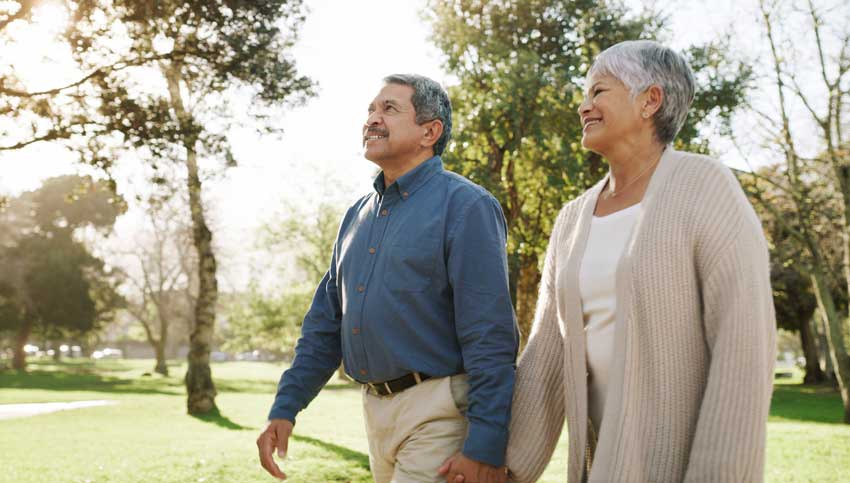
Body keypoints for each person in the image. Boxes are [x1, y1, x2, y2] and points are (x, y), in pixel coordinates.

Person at [442, 40, 777, 482]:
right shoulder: (572, 219)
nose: (584, 107)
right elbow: (547, 354)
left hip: (679, 465)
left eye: (598, 92)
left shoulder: (706, 187)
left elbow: (743, 346)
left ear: (650, 100)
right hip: (596, 462)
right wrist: (503, 465)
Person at [256, 73, 519, 483]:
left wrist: (484, 444)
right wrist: (285, 407)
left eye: (390, 109)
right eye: (371, 110)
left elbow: (490, 333)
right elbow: (326, 325)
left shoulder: (467, 207)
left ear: (430, 132)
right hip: (374, 412)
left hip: (440, 413)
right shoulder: (355, 215)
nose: (372, 119)